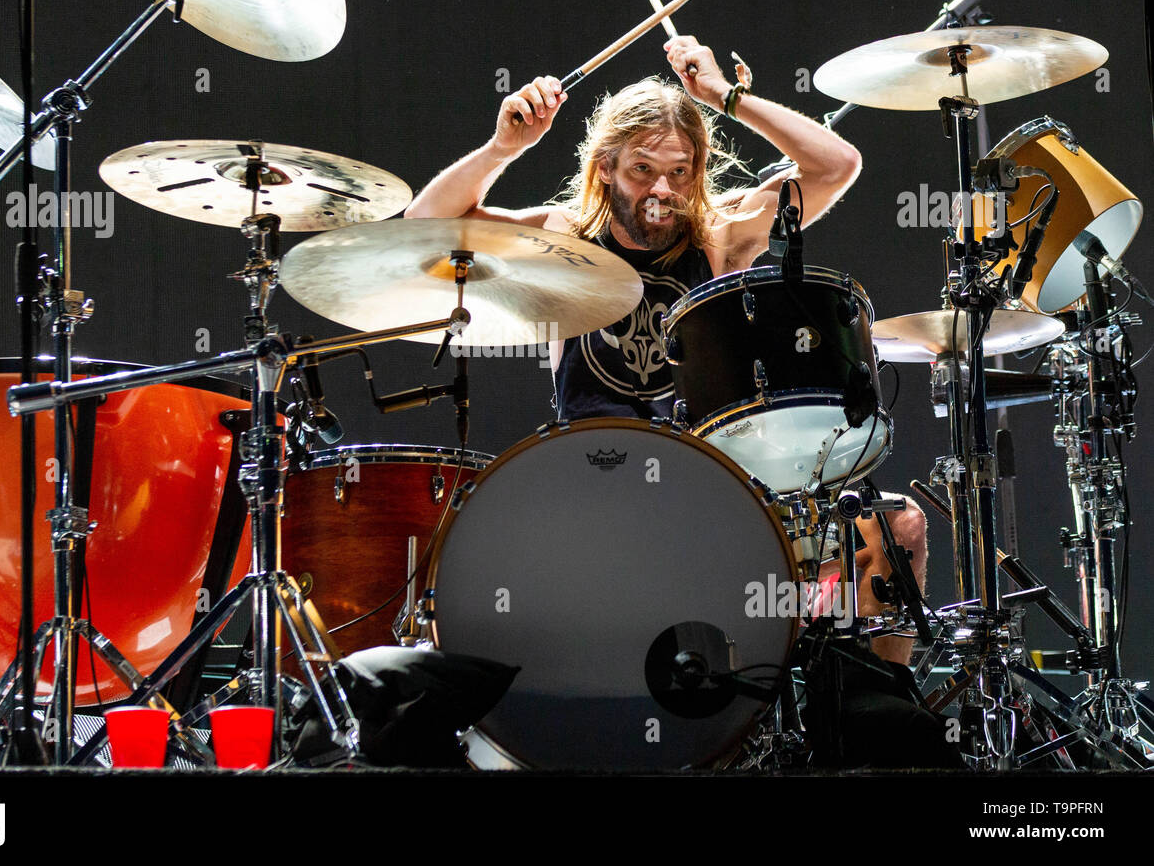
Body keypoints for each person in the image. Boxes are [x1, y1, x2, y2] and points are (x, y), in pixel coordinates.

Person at [406, 37, 957, 766]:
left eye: (679, 170)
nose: (661, 190)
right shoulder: (562, 238)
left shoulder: (720, 236)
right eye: (641, 171)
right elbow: (423, 227)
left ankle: (881, 716)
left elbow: (837, 166)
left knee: (900, 527)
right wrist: (505, 145)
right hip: (596, 485)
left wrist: (726, 98)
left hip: (711, 486)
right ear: (605, 168)